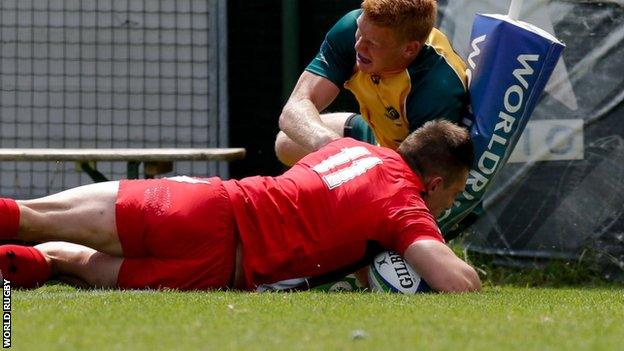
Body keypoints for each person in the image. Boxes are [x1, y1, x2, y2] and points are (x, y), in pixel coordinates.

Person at [0, 120, 480, 293]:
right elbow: (456, 284)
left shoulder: (348, 148)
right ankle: (45, 260)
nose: (442, 207)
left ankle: (28, 245)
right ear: (434, 181)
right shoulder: (406, 207)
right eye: (450, 196)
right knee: (78, 262)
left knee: (28, 215)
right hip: (215, 270)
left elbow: (289, 141)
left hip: (203, 205)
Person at [275, 0, 468, 166]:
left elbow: (417, 179)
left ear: (409, 49)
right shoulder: (351, 28)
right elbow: (293, 111)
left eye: (372, 43)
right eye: (360, 32)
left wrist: (351, 165)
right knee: (285, 143)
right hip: (378, 137)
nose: (358, 46)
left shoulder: (437, 88)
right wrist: (331, 146)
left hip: (417, 163)